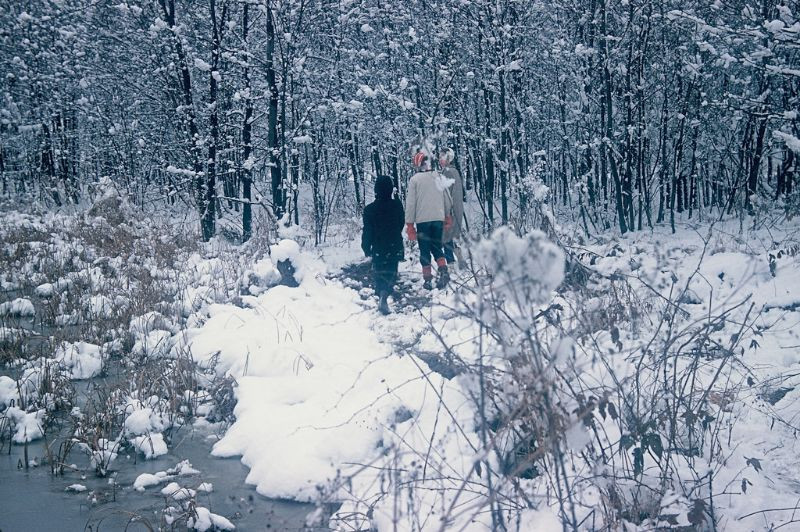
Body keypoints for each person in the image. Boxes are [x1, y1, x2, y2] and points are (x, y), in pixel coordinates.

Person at [405, 151, 453, 290]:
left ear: (418, 164)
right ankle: (443, 270)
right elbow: (447, 198)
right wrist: (447, 215)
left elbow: (411, 204)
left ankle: (427, 280)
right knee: (437, 247)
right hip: (438, 218)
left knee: (424, 250)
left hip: (422, 221)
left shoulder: (415, 180)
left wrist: (409, 224)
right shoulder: (438, 176)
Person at [361, 175, 405, 314]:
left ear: (376, 190)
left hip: (378, 247)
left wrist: (366, 247)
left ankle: (381, 294)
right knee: (392, 271)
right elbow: (400, 223)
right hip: (394, 245)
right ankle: (385, 294)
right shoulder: (397, 205)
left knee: (379, 272)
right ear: (391, 190)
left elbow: (367, 230)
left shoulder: (369, 209)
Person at [439, 148, 464, 269]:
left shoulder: (448, 172)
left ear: (448, 158)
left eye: (442, 157)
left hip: (449, 211)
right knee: (448, 238)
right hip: (454, 210)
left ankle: (451, 264)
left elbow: (446, 195)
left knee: (445, 238)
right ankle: (458, 259)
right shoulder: (454, 171)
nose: (440, 159)